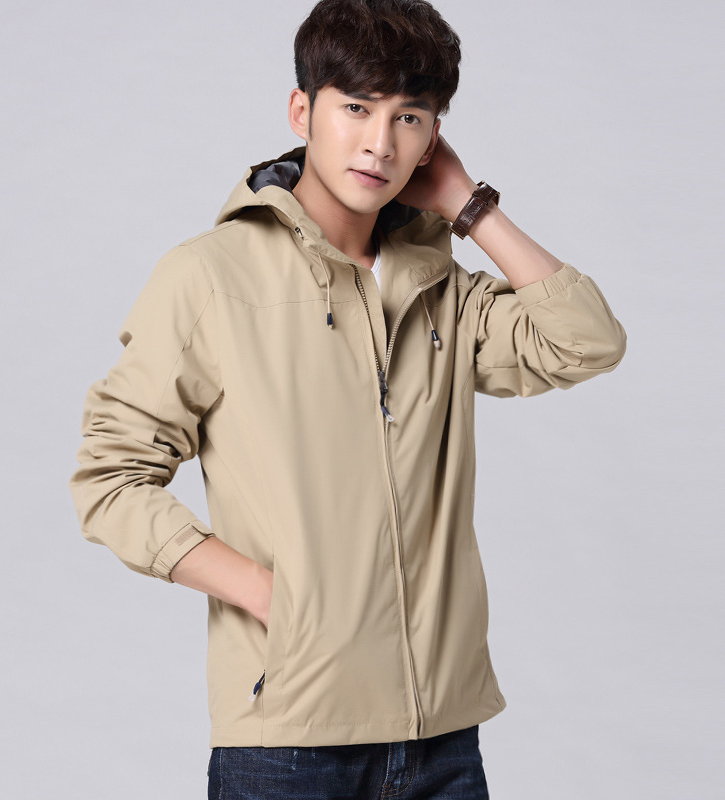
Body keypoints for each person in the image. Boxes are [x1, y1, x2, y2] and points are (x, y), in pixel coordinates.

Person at [69, 0, 627, 797]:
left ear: (433, 140)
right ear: (302, 111)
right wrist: (273, 598)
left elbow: (588, 341)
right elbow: (110, 480)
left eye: (409, 118)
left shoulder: (440, 289)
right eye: (357, 108)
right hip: (289, 742)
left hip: (441, 740)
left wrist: (470, 207)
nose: (380, 143)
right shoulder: (211, 277)